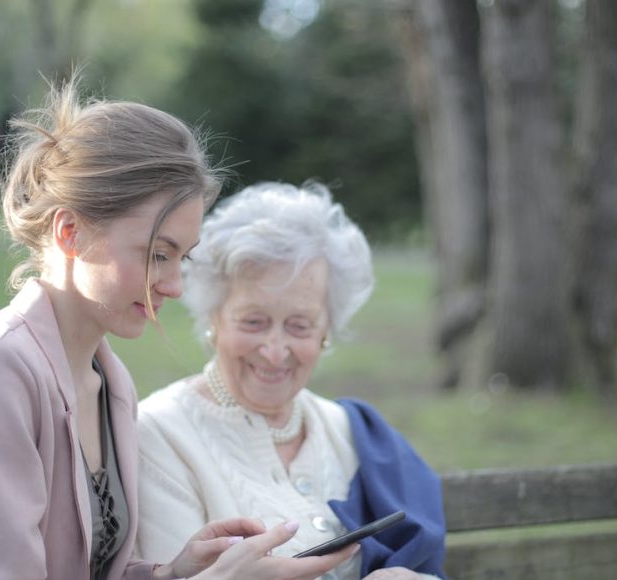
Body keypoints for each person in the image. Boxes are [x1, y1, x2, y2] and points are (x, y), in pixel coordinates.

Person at [0, 79, 355, 580]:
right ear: (70, 232)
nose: (173, 285)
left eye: (181, 258)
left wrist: (170, 573)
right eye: (156, 254)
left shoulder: (111, 382)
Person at [135, 182, 446, 579]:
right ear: (214, 317)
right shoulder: (160, 436)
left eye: (299, 326)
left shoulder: (350, 431)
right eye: (253, 321)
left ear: (326, 331)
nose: (275, 350)